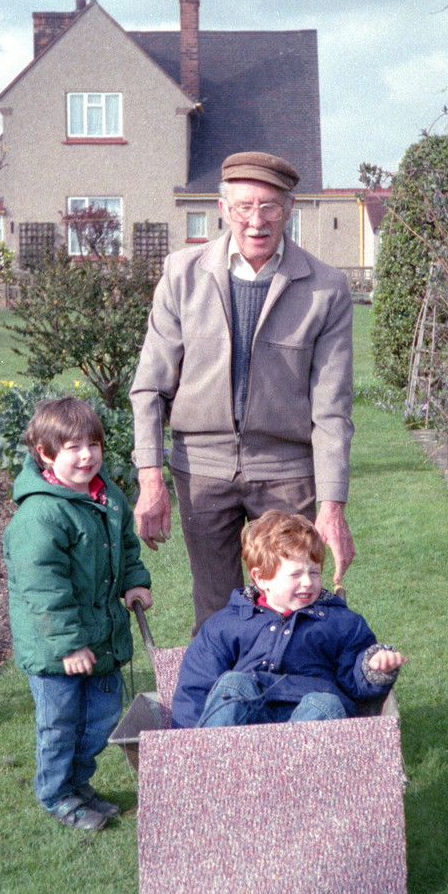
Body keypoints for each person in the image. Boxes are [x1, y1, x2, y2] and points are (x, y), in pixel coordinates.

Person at [131, 150, 355, 632]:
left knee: (293, 608)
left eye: (270, 206)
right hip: (201, 469)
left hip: (286, 471)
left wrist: (332, 507)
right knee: (216, 615)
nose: (257, 221)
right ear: (222, 208)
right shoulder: (181, 274)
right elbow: (149, 387)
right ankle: (221, 684)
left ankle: (291, 683)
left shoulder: (326, 288)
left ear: (289, 209)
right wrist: (150, 480)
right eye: (244, 206)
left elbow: (332, 410)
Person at [2, 397, 153, 831]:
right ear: (45, 454)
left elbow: (125, 545)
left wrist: (134, 579)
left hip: (101, 639)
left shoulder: (108, 497)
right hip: (56, 651)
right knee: (60, 725)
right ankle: (56, 795)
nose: (87, 456)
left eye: (94, 445)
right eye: (73, 448)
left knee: (102, 717)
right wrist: (69, 646)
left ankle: (78, 783)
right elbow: (43, 590)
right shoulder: (41, 516)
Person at [169, 510, 405, 729]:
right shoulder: (227, 624)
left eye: (314, 572)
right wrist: (185, 740)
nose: (307, 582)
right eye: (296, 574)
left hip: (308, 713)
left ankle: (293, 759)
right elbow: (196, 685)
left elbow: (354, 677)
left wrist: (372, 666)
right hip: (246, 720)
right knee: (233, 684)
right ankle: (208, 754)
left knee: (326, 704)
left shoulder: (338, 622)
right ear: (261, 578)